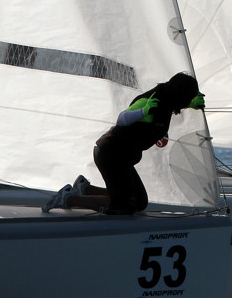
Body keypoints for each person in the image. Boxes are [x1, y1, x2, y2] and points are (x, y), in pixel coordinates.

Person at [44, 72, 206, 214]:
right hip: (110, 154)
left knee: (139, 202)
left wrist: (190, 105)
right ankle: (67, 198)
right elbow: (122, 119)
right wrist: (143, 111)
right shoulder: (151, 102)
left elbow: (161, 116)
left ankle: (85, 189)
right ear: (180, 96)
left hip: (122, 157)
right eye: (189, 98)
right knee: (123, 205)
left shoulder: (167, 101)